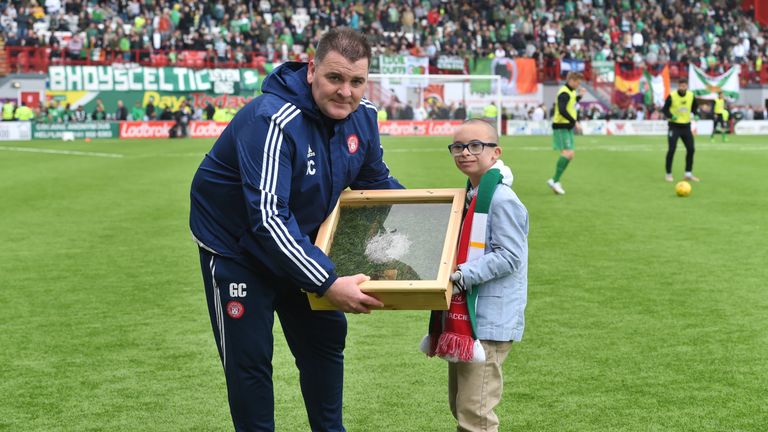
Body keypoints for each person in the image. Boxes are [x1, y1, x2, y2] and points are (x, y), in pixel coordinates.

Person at [189, 27, 402, 431]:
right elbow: (267, 218)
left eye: (357, 81)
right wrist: (326, 281)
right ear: (311, 71)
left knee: (324, 344)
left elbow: (377, 186)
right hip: (237, 249)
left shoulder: (365, 117)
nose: (346, 92)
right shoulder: (271, 118)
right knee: (249, 361)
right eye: (334, 78)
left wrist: (440, 222)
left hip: (303, 241)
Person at [421, 119, 528, 432]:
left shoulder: (501, 199)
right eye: (458, 147)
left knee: (475, 414)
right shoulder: (470, 196)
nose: (465, 152)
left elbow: (510, 256)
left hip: (489, 320)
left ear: (495, 153)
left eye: (475, 146)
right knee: (462, 406)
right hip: (469, 317)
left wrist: (459, 275)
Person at [547, 72, 585, 195]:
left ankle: (555, 180)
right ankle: (554, 180)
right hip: (561, 127)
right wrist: (575, 122)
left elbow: (571, 103)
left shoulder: (572, 92)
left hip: (567, 127)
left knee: (570, 154)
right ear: (572, 80)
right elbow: (562, 110)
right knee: (567, 153)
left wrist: (580, 96)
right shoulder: (564, 93)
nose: (578, 85)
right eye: (577, 82)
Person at [663, 77, 700, 182]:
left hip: (686, 127)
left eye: (684, 85)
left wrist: (696, 114)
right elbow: (664, 109)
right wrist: (671, 116)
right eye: (681, 85)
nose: (682, 87)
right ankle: (668, 173)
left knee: (691, 149)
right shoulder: (672, 96)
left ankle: (688, 174)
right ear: (678, 86)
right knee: (671, 149)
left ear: (687, 86)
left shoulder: (691, 96)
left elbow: (694, 108)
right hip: (674, 126)